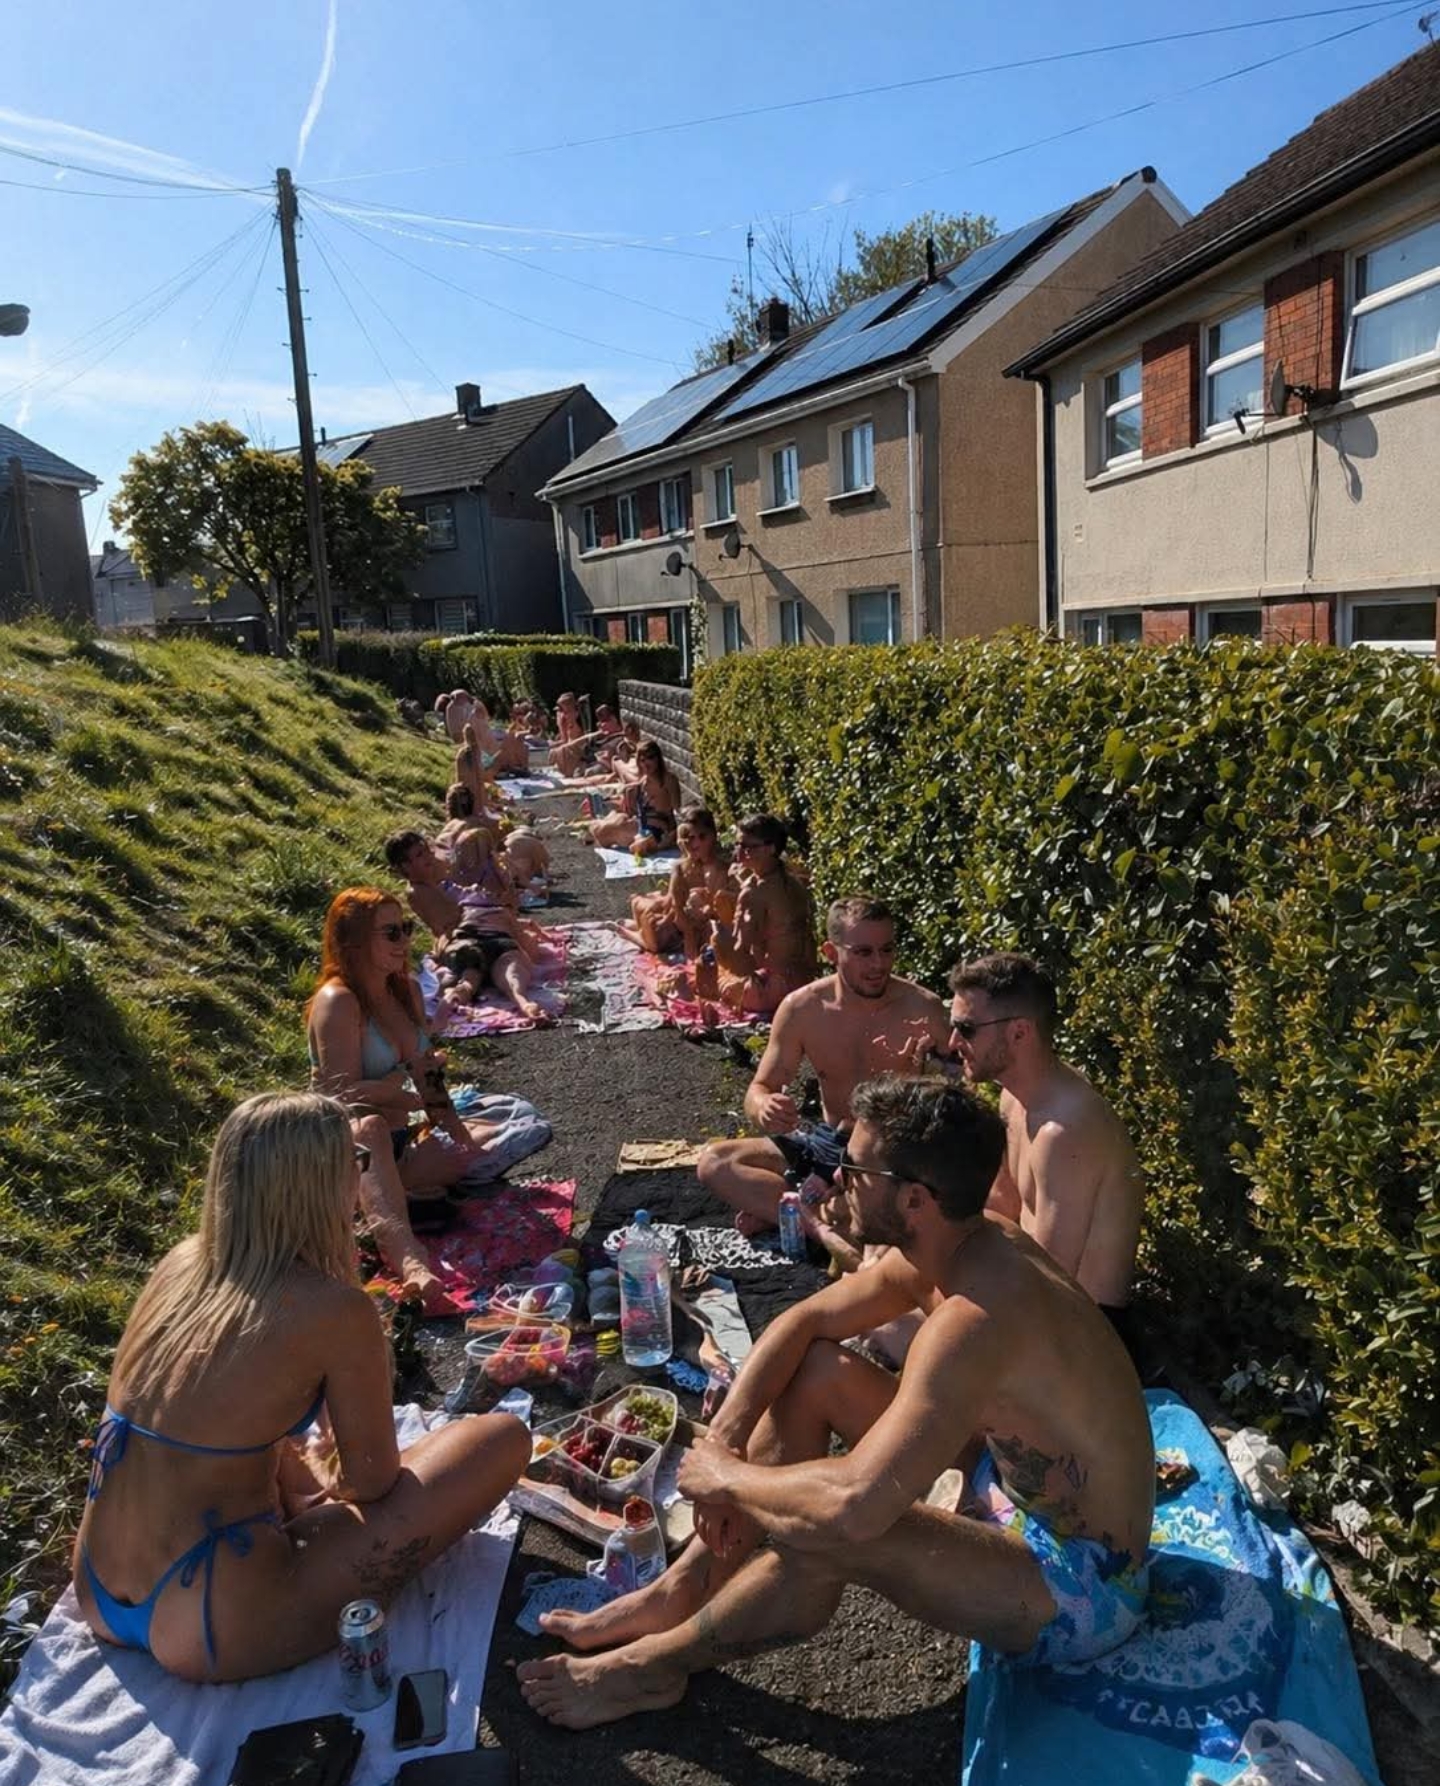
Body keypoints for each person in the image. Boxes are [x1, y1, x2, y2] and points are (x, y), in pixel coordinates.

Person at [518, 1073, 1153, 1730]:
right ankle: (683, 1589)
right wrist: (726, 1437)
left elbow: (854, 1506)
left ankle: (650, 1668)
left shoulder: (974, 1323)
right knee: (816, 1372)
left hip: (1086, 1585)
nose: (838, 1176)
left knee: (832, 1530)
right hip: (1007, 1483)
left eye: (856, 1167)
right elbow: (806, 1321)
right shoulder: (965, 1238)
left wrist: (726, 1478)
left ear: (913, 1200)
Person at [73, 1091, 529, 1683]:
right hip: (212, 1616)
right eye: (357, 1161)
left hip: (99, 1586)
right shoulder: (332, 1307)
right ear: (322, 1184)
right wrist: (326, 1476)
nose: (361, 1174)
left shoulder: (181, 1265)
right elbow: (372, 1482)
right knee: (498, 1440)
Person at [698, 895, 950, 1260]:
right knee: (715, 1163)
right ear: (831, 952)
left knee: (897, 1207)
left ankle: (795, 1213)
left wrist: (934, 1075)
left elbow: (960, 1097)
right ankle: (821, 1223)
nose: (879, 964)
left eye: (887, 949)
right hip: (827, 1144)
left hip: (890, 1156)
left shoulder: (923, 1008)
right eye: (863, 952)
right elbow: (760, 1088)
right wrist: (765, 1107)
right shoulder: (803, 1008)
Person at [306, 888, 505, 1309]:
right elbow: (335, 1095)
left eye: (406, 928)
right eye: (392, 933)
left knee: (499, 1133)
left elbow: (426, 1073)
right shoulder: (338, 1002)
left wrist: (456, 1131)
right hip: (345, 1147)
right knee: (370, 1128)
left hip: (401, 1142)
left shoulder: (406, 991)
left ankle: (381, 1199)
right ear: (355, 940)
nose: (405, 941)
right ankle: (411, 1260)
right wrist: (397, 1092)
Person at [947, 953, 1144, 1351]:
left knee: (888, 1330)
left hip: (1083, 1337)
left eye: (966, 1029)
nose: (953, 1043)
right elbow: (1001, 1208)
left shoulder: (1065, 1133)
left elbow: (1052, 1282)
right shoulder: (1015, 1098)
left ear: (1019, 1032)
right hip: (1035, 1302)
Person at [383, 830, 553, 1026]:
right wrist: (477, 905)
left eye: (427, 851)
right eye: (420, 855)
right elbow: (452, 921)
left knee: (498, 965)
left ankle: (522, 1002)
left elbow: (462, 908)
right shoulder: (417, 891)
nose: (429, 857)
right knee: (478, 973)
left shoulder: (437, 883)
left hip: (481, 939)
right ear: (405, 866)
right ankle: (522, 1002)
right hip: (465, 940)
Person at [702, 814, 817, 1019]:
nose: (740, 852)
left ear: (770, 848)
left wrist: (717, 921)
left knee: (714, 949)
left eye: (748, 847)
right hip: (806, 982)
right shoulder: (794, 880)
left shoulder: (753, 891)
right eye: (738, 845)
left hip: (770, 992)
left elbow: (742, 949)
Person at [620, 806, 736, 957]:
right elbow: (675, 907)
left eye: (702, 837)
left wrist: (704, 913)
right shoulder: (681, 867)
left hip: (702, 922)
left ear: (713, 836)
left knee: (716, 937)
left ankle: (638, 925)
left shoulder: (722, 869)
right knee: (656, 936)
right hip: (679, 920)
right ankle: (632, 933)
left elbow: (722, 908)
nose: (695, 842)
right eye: (690, 838)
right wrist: (684, 930)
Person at [587, 740, 682, 855]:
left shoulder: (668, 780)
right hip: (642, 824)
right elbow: (633, 797)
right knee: (606, 825)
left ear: (658, 758)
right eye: (642, 760)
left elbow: (677, 811)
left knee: (623, 838)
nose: (646, 763)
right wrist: (629, 793)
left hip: (659, 829)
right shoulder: (644, 780)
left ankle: (599, 833)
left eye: (650, 758)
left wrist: (674, 835)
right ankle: (597, 830)